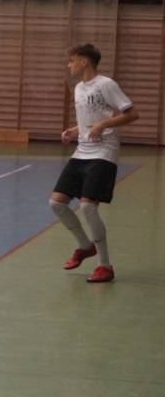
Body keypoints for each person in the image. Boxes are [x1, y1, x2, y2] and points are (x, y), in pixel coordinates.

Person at [49, 43, 139, 283]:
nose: (68, 65)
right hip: (81, 152)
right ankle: (84, 246)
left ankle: (105, 266)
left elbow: (132, 114)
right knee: (56, 203)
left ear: (84, 61)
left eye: (71, 60)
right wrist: (74, 130)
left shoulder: (106, 84)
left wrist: (103, 126)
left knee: (88, 207)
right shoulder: (79, 88)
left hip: (104, 153)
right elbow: (89, 120)